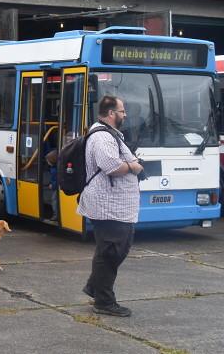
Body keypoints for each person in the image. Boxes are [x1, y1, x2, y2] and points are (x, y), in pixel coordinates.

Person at [78, 95, 143, 318]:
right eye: (122, 111)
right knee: (112, 251)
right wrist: (134, 166)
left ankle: (96, 288)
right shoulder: (103, 137)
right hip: (108, 206)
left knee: (113, 249)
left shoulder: (110, 134)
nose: (125, 115)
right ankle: (104, 301)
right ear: (111, 114)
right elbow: (111, 166)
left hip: (115, 206)